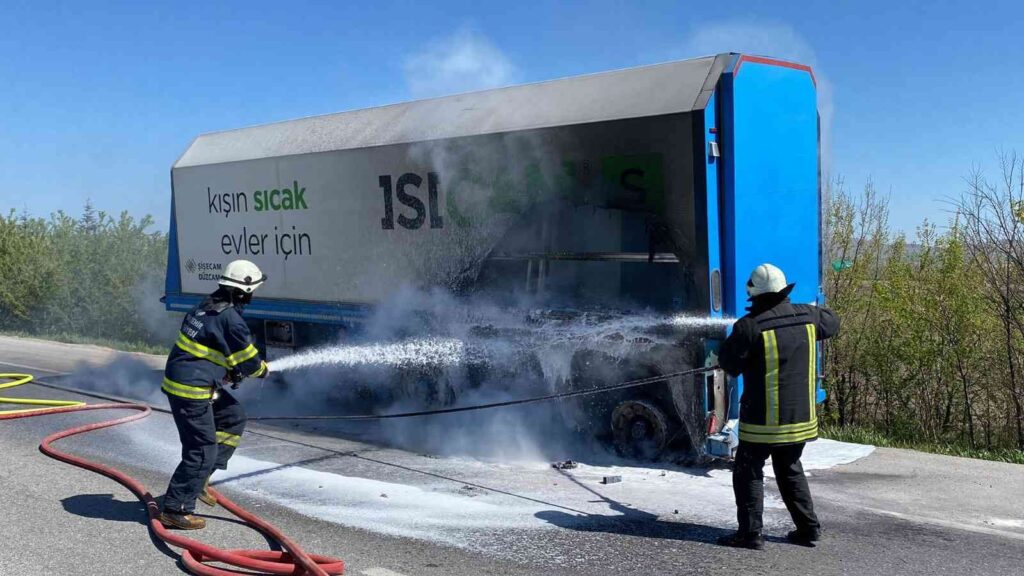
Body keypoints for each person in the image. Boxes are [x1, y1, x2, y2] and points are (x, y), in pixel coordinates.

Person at [715, 263, 839, 550]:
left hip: (763, 420)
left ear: (754, 292)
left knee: (748, 470)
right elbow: (833, 321)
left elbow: (730, 365)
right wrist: (807, 310)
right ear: (784, 290)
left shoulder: (749, 326)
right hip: (801, 418)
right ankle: (809, 529)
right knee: (789, 467)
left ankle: (750, 534)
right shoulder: (810, 316)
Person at [158, 259, 270, 530]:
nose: (253, 295)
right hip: (191, 389)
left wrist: (228, 370)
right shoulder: (230, 319)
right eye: (253, 290)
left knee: (233, 417)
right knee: (202, 449)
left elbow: (212, 347)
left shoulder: (206, 306)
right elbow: (251, 363)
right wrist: (261, 370)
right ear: (243, 291)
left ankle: (199, 479)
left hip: (193, 381)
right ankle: (175, 509)